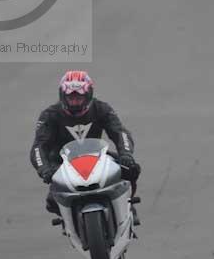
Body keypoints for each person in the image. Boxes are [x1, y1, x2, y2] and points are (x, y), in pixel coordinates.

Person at [30, 70, 141, 224]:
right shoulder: (49, 115)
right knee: (51, 201)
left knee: (131, 170)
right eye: (71, 97)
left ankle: (128, 206)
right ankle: (68, 221)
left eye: (79, 97)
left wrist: (126, 154)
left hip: (98, 156)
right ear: (62, 96)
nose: (75, 102)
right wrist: (44, 169)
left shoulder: (102, 108)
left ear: (88, 95)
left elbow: (119, 132)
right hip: (62, 163)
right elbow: (38, 146)